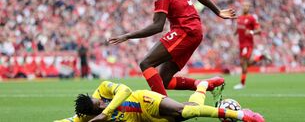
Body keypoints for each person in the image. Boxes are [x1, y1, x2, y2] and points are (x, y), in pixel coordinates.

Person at [108, 0, 236, 96]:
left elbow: (157, 26)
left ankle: (163, 108)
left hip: (186, 30)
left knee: (146, 63)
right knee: (164, 81)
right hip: (193, 31)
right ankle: (203, 84)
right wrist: (217, 11)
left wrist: (128, 35)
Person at [54, 80, 264, 122]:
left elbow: (126, 89)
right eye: (97, 105)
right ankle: (202, 85)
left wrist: (106, 112)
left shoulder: (102, 90)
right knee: (191, 110)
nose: (100, 102)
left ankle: (243, 115)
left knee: (184, 110)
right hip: (146, 120)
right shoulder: (88, 119)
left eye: (97, 100)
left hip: (144, 100)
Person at [233, 2, 271, 90]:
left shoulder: (252, 18)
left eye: (247, 6)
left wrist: (251, 32)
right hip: (241, 44)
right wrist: (235, 32)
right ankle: (261, 56)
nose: (245, 7)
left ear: (249, 8)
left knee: (243, 63)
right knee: (245, 64)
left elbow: (259, 31)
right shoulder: (239, 17)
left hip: (248, 44)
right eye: (244, 5)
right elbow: (239, 27)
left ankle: (242, 84)